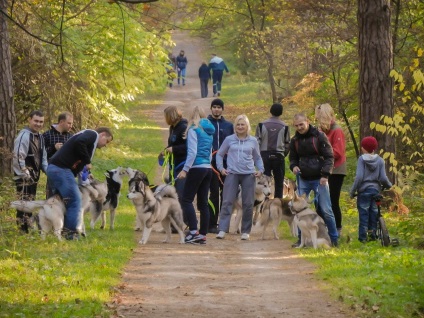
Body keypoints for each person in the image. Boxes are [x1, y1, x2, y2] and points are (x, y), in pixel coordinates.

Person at [46, 127, 113, 240]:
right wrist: (87, 161)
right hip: (61, 169)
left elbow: (77, 155)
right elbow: (79, 142)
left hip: (55, 169)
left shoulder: (88, 138)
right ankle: (71, 235)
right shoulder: (92, 134)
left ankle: (54, 230)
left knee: (58, 202)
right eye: (106, 141)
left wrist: (85, 171)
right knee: (75, 200)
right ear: (102, 135)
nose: (105, 145)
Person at [289, 113, 338, 247]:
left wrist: (325, 175)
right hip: (303, 178)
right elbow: (292, 158)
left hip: (320, 178)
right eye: (297, 125)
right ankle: (301, 240)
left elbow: (329, 157)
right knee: (299, 210)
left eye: (301, 124)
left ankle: (334, 239)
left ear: (307, 121)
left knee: (326, 210)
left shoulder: (319, 136)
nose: (299, 127)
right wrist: (294, 167)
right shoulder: (295, 141)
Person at [216, 114, 264, 241]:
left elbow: (257, 157)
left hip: (249, 174)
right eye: (238, 124)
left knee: (248, 203)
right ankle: (222, 229)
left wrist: (261, 170)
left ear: (247, 126)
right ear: (235, 126)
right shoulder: (229, 139)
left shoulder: (253, 141)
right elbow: (219, 154)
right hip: (232, 173)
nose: (240, 127)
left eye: (243, 124)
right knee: (227, 201)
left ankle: (245, 231)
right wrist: (221, 168)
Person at [177, 106, 215, 245]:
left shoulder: (194, 130)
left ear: (192, 116)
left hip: (196, 168)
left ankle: (193, 231)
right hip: (207, 168)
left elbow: (192, 152)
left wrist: (185, 170)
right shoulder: (209, 131)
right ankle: (203, 234)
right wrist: (208, 165)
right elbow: (210, 152)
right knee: (203, 202)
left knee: (186, 200)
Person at [350, 136, 392, 243]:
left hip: (363, 191)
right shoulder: (380, 161)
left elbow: (359, 177)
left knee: (364, 214)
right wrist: (389, 186)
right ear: (374, 148)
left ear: (363, 148)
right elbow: (383, 178)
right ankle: (373, 236)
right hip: (375, 191)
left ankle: (363, 238)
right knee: (374, 213)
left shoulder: (361, 160)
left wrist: (352, 191)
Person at [13, 110, 48, 233]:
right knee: (23, 203)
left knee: (30, 202)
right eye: (36, 121)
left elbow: (43, 158)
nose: (38, 124)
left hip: (34, 176)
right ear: (29, 120)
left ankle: (27, 227)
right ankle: (22, 230)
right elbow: (18, 156)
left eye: (41, 122)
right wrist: (24, 173)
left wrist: (48, 171)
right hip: (23, 177)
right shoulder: (24, 135)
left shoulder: (41, 137)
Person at [315, 103, 346, 236]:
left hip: (336, 170)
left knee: (332, 200)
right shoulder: (321, 131)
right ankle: (322, 229)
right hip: (323, 169)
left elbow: (338, 152)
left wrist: (321, 153)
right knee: (320, 201)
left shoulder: (336, 130)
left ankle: (337, 229)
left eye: (318, 117)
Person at [207, 99, 234, 233]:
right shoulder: (205, 123)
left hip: (226, 165)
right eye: (214, 107)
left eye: (219, 107)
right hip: (210, 165)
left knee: (226, 196)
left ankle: (223, 225)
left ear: (223, 109)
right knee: (213, 195)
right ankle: (211, 224)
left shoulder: (229, 125)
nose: (217, 110)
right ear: (211, 109)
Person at [255, 103, 290, 198]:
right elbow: (287, 144)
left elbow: (257, 141)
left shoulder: (261, 125)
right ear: (281, 113)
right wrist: (283, 154)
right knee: (279, 182)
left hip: (264, 156)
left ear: (270, 111)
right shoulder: (285, 126)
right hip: (279, 156)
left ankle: (264, 203)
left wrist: (258, 156)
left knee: (264, 181)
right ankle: (277, 204)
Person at [160, 106, 188, 206]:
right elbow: (172, 144)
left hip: (182, 164)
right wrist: (165, 150)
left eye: (165, 116)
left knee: (180, 194)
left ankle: (184, 219)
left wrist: (174, 149)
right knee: (173, 192)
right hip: (173, 164)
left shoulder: (184, 127)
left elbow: (187, 147)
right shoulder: (172, 128)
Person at [42, 111, 74, 198]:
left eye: (71, 123)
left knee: (65, 197)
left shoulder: (71, 137)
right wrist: (53, 148)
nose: (71, 126)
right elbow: (42, 154)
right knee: (51, 196)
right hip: (53, 171)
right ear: (61, 122)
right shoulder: (47, 135)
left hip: (67, 172)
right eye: (69, 123)